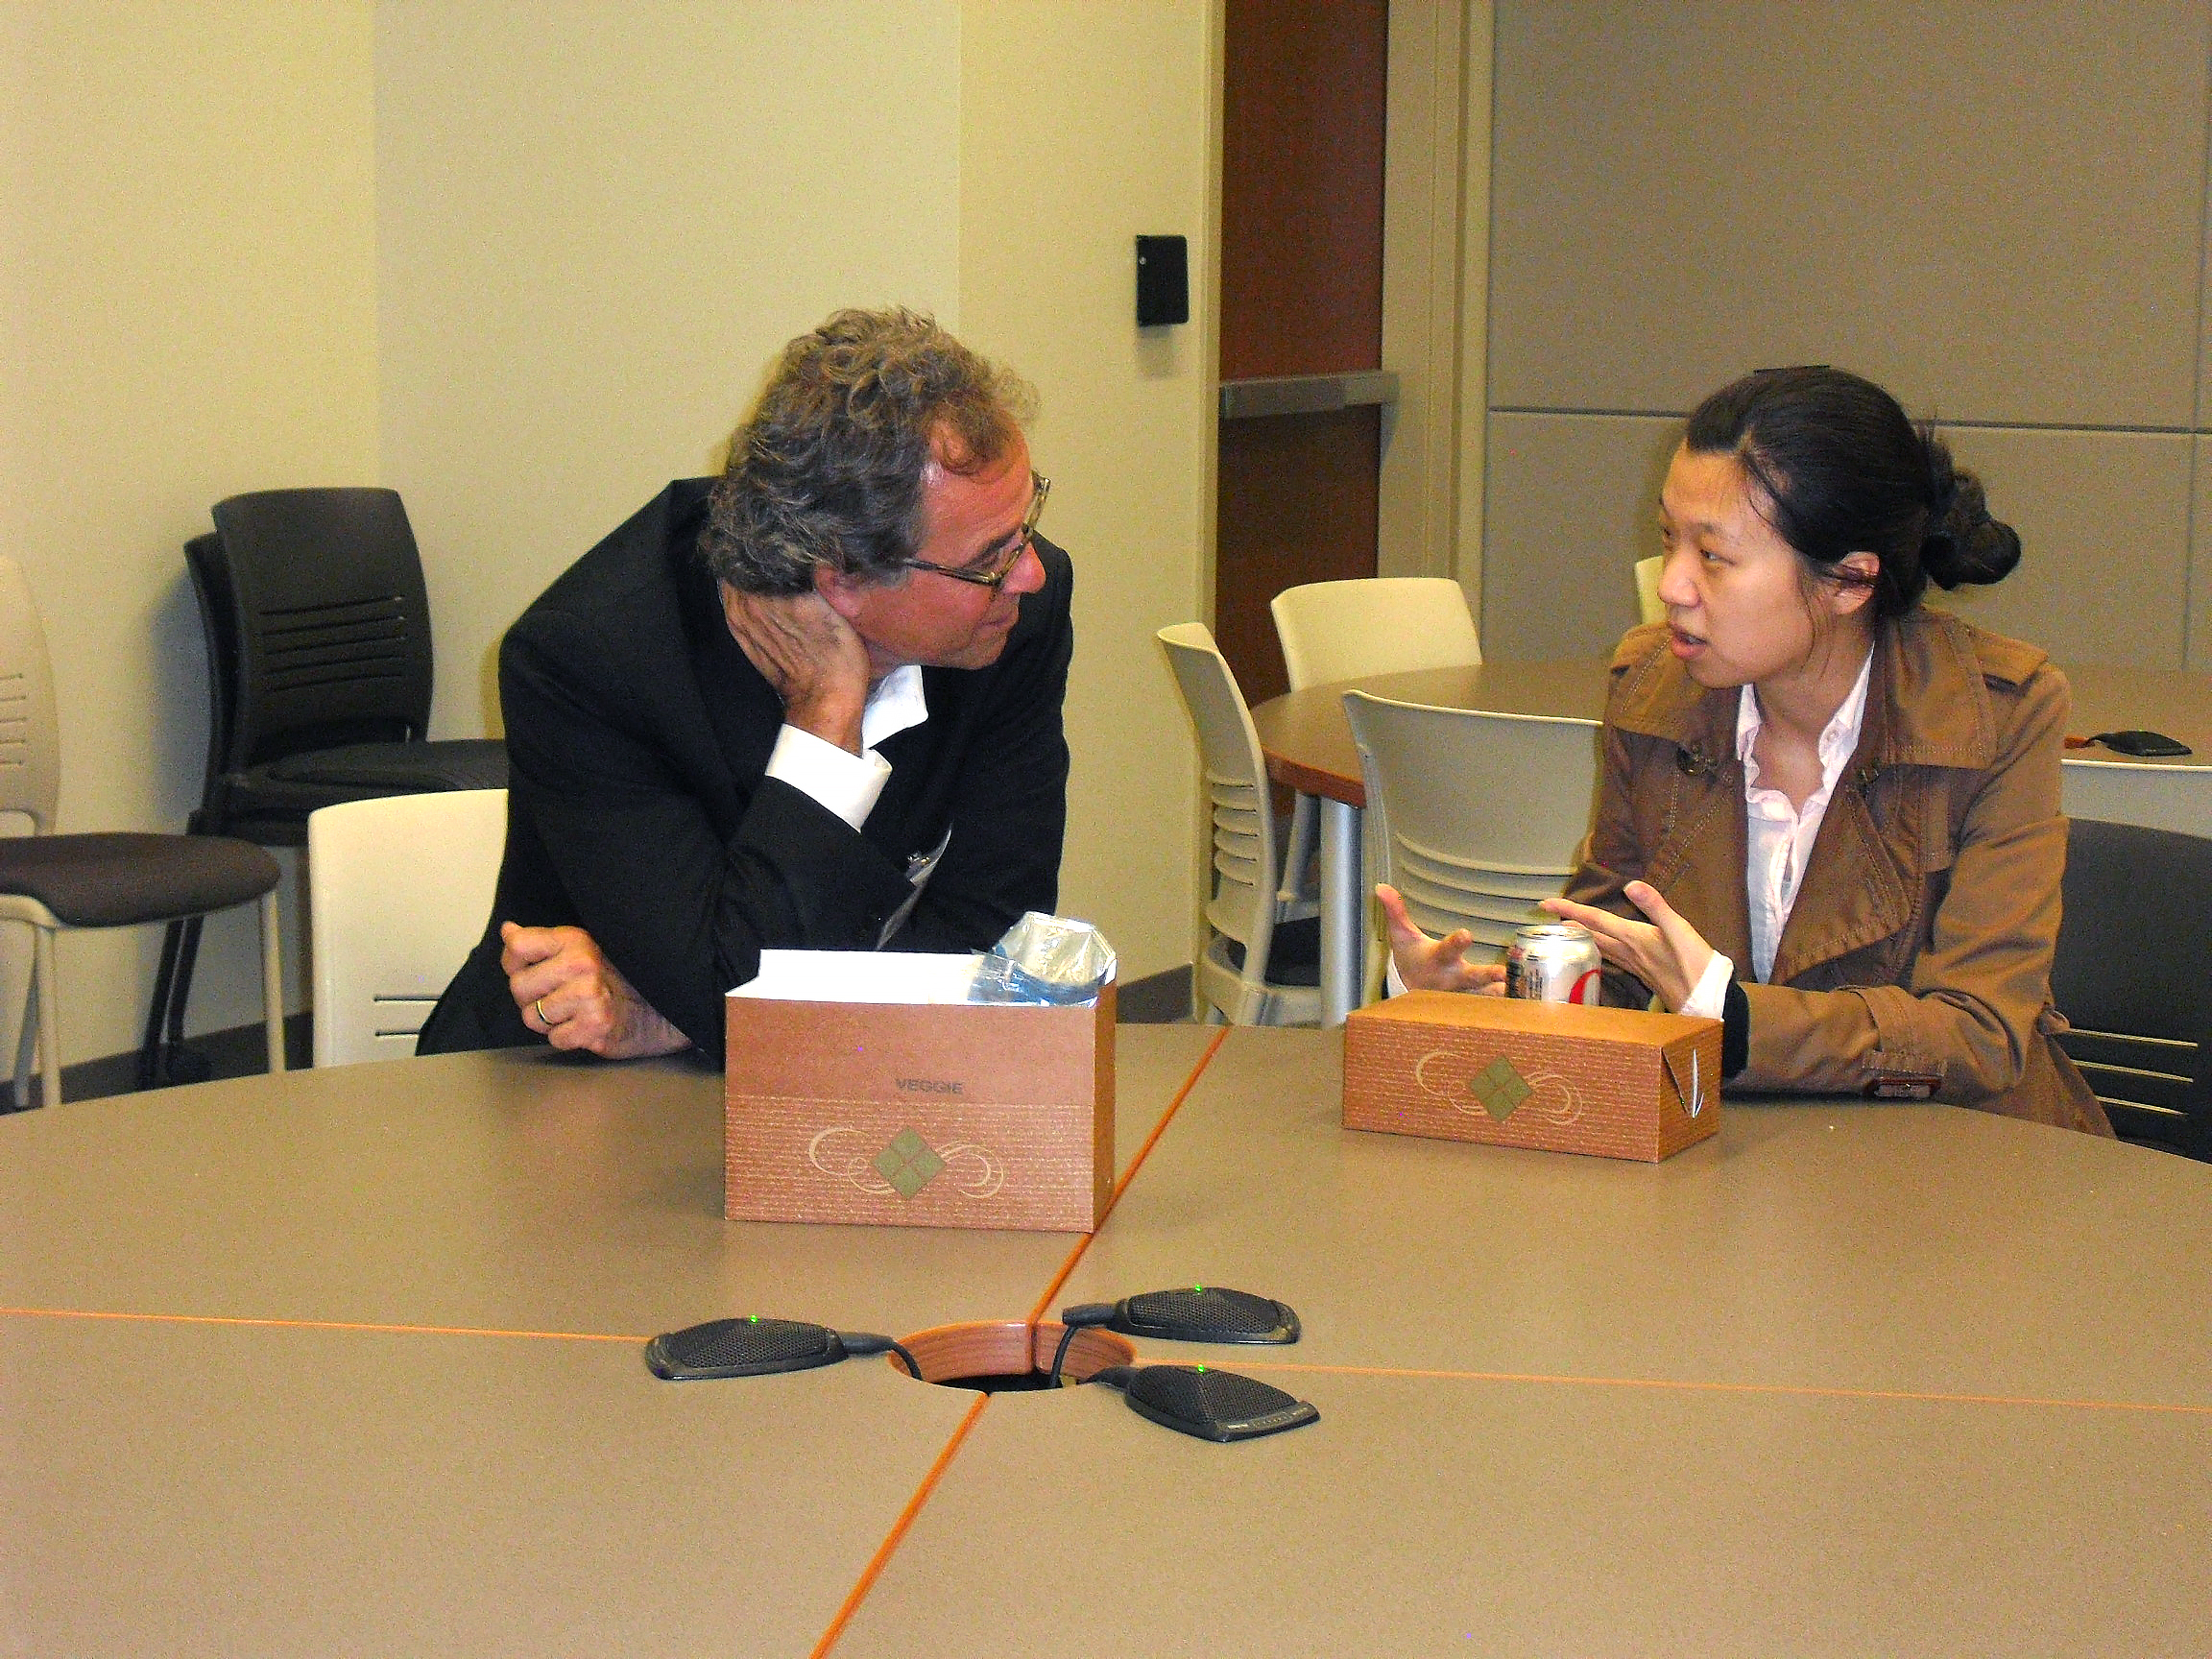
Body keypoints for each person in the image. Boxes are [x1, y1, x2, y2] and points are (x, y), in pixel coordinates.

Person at [1382, 365, 2109, 1135]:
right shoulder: (1656, 691)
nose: (1673, 586)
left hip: (1962, 1175)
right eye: (1669, 540)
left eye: (1714, 557)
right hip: (1744, 1168)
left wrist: (1735, 1019)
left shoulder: (1995, 713)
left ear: (1850, 581)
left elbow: (1980, 1033)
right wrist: (1477, 1006)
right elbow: (1618, 964)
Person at [417, 308, 1071, 1064]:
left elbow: (992, 945)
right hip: (565, 1089)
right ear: (845, 581)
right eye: (992, 557)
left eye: (1027, 525)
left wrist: (679, 1015)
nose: (1030, 571)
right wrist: (827, 715)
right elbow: (741, 1012)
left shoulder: (1014, 615)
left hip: (851, 1077)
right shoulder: (589, 664)